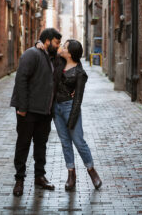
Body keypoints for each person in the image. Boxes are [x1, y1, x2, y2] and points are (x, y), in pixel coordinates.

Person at [36, 39, 102, 190]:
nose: (61, 48)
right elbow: (46, 53)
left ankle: (91, 171)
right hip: (56, 109)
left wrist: (71, 121)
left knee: (78, 141)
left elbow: (78, 99)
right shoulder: (58, 63)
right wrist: (38, 44)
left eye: (64, 47)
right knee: (65, 143)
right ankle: (71, 175)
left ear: (70, 54)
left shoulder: (80, 73)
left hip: (70, 108)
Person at [10, 28, 62, 197]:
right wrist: (22, 108)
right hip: (29, 110)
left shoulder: (54, 58)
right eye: (56, 42)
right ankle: (19, 180)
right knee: (23, 144)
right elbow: (21, 80)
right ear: (47, 41)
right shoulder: (31, 54)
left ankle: (40, 176)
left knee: (41, 145)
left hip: (44, 112)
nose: (58, 45)